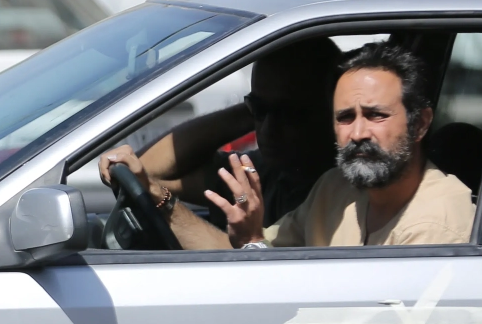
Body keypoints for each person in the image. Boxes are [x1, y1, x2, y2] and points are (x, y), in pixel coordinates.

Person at [216, 41, 473, 247]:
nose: (358, 133)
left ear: (419, 124)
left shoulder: (435, 226)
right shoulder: (334, 189)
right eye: (345, 117)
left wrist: (252, 243)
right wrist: (173, 202)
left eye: (376, 115)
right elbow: (268, 254)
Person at [99, 37, 340, 248]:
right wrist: (248, 112)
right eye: (260, 110)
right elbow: (143, 169)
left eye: (289, 113)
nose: (268, 129)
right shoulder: (262, 172)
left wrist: (161, 200)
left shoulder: (341, 193)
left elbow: (250, 254)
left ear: (330, 109)